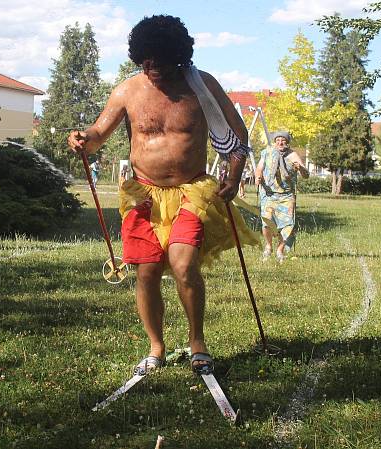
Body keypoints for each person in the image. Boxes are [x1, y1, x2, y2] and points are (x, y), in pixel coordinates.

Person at [67, 15, 258, 376]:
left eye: (159, 59)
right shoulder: (127, 90)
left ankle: (197, 341)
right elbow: (98, 133)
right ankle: (156, 347)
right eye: (145, 59)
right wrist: (81, 139)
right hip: (144, 195)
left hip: (192, 192)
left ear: (179, 56)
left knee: (185, 265)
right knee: (147, 272)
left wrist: (233, 178)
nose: (151, 67)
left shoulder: (202, 86)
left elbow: (238, 136)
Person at [254, 131, 309, 263]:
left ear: (287, 142)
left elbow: (306, 175)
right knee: (266, 221)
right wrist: (258, 176)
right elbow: (259, 168)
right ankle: (268, 246)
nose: (280, 142)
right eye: (278, 140)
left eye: (283, 140)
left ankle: (280, 250)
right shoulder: (267, 152)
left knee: (287, 225)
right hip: (269, 193)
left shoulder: (293, 155)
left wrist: (300, 169)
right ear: (274, 142)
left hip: (287, 195)